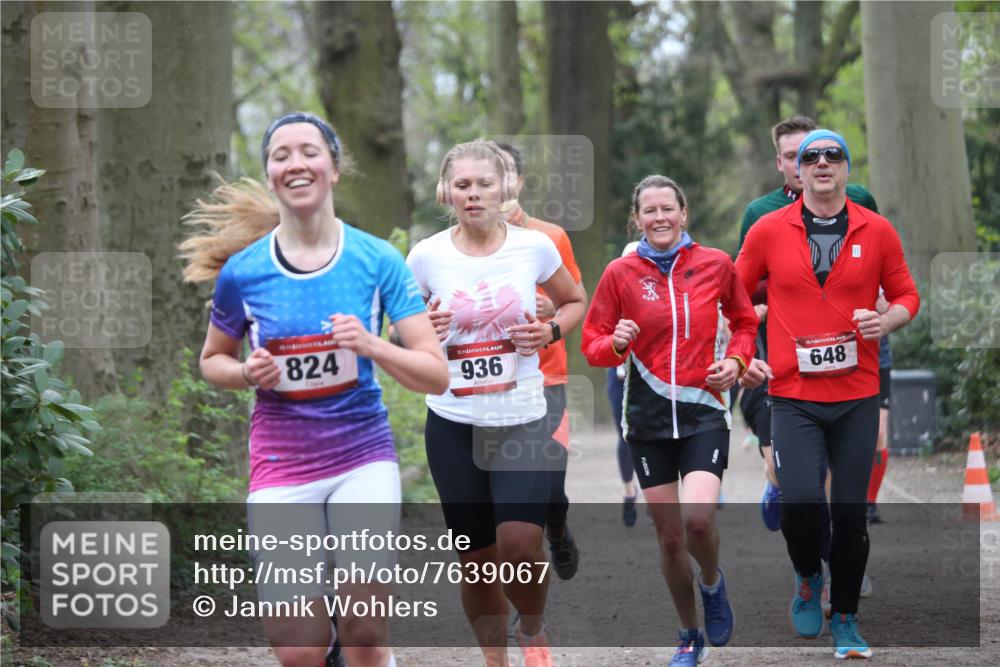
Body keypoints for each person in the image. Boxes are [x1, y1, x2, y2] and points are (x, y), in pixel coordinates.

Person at [182, 112, 449, 667]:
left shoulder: (377, 259)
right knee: (297, 648)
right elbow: (212, 361)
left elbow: (434, 371)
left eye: (308, 151)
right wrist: (245, 373)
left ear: (333, 167)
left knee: (366, 630)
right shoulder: (243, 273)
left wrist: (373, 346)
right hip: (281, 466)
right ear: (271, 173)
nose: (295, 163)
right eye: (281, 155)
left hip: (362, 459)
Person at [736, 129, 919, 660]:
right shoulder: (769, 230)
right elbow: (735, 296)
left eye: (831, 156)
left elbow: (908, 294)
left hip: (857, 393)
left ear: (845, 168)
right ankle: (805, 575)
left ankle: (845, 618)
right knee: (799, 502)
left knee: (851, 512)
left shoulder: (876, 229)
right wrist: (745, 352)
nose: (820, 164)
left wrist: (886, 320)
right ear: (795, 170)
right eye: (809, 156)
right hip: (791, 393)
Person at [405, 140, 585, 667]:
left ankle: (531, 625)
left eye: (484, 183)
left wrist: (549, 331)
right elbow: (398, 333)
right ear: (446, 192)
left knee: (519, 547)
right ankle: (495, 661)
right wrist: (422, 330)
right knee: (477, 561)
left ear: (504, 187)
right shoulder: (426, 255)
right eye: (462, 185)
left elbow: (575, 301)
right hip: (453, 424)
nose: (474, 193)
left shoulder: (534, 247)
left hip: (522, 419)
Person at [582, 175, 757, 666]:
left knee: (698, 521)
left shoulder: (715, 265)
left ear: (683, 213)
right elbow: (592, 344)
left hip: (704, 412)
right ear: (636, 219)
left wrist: (738, 363)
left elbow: (745, 322)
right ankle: (688, 634)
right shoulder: (620, 273)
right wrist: (615, 342)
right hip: (647, 422)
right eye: (649, 211)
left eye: (668, 209)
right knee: (670, 536)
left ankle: (712, 583)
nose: (659, 218)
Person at [737, 115, 879, 534]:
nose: (816, 161)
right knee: (789, 473)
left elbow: (876, 260)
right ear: (784, 163)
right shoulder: (761, 215)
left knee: (840, 466)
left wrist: (883, 309)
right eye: (798, 155)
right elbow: (743, 285)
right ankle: (781, 488)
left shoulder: (860, 201)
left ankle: (838, 552)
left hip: (852, 347)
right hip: (780, 355)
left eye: (826, 153)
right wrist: (757, 311)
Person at [496, 142, 586, 579]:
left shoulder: (550, 237)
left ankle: (558, 525)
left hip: (545, 379)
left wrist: (553, 311)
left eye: (504, 173)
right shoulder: (457, 248)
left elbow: (574, 300)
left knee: (550, 486)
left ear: (518, 181)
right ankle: (517, 583)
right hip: (486, 385)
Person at [608, 242, 640, 526]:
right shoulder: (613, 295)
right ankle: (629, 490)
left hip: (656, 377)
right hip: (619, 375)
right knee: (624, 434)